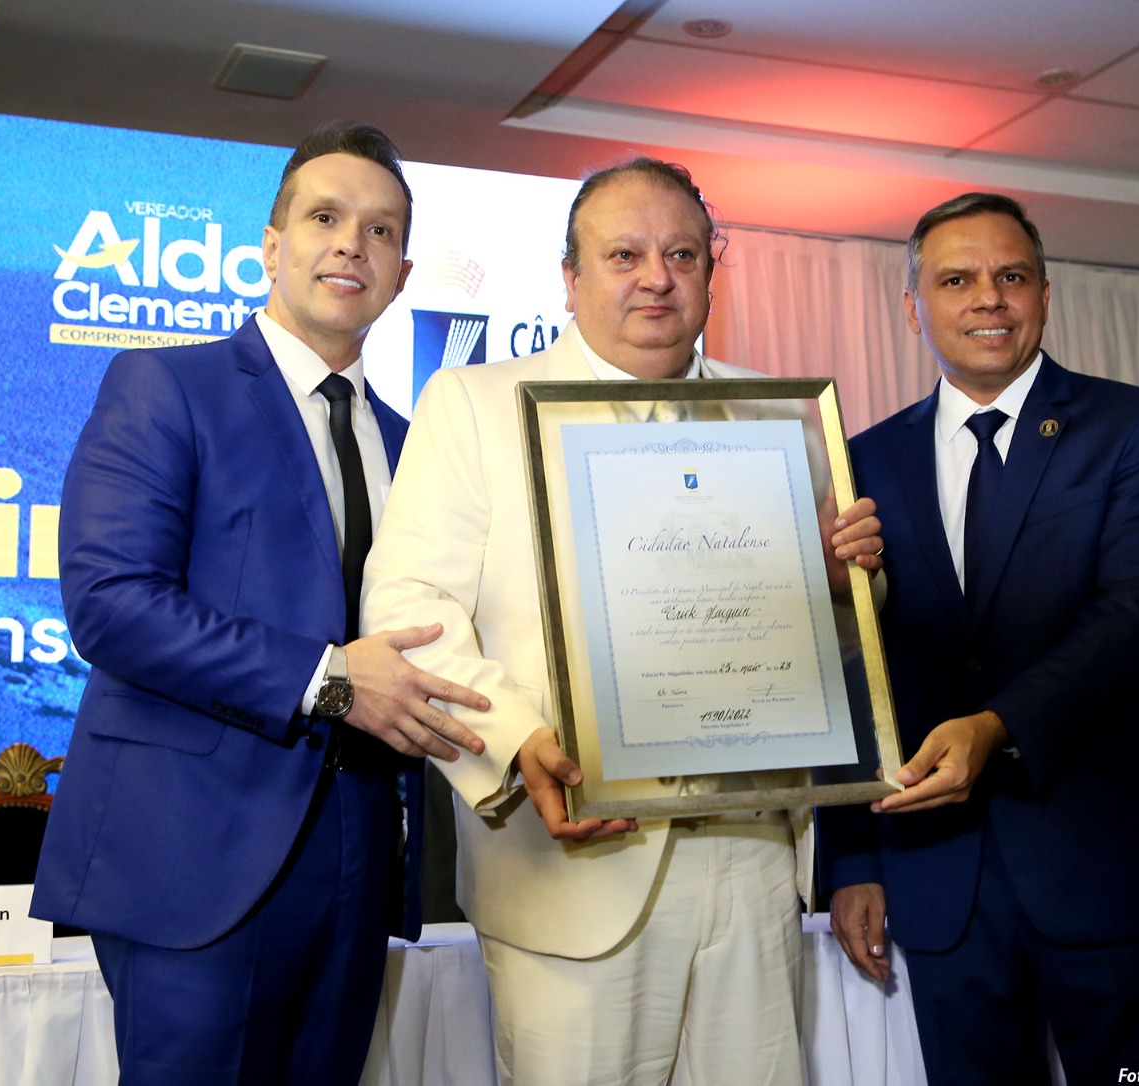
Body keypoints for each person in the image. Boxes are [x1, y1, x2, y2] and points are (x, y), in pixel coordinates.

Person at [361, 158, 882, 1085]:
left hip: (751, 863)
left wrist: (846, 590)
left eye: (682, 253)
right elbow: (411, 610)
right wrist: (516, 737)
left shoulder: (785, 422)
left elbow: (820, 647)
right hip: (571, 863)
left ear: (712, 273)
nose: (656, 276)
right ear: (570, 278)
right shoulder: (473, 406)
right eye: (624, 254)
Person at [31, 120, 490, 1085]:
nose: (350, 245)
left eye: (380, 231)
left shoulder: (418, 442)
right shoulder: (165, 383)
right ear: (271, 247)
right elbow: (111, 604)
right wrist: (329, 684)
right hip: (195, 859)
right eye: (325, 217)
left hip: (365, 856)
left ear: (403, 274)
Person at [820, 192, 1139, 1084]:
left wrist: (994, 725)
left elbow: (1135, 614)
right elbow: (849, 668)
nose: (986, 299)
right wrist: (850, 858)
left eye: (1011, 276)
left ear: (1045, 293)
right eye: (955, 279)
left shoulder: (1138, 427)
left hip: (1108, 862)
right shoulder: (863, 460)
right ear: (914, 304)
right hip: (935, 875)